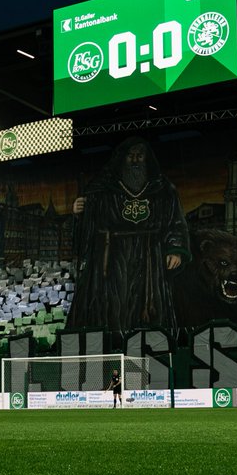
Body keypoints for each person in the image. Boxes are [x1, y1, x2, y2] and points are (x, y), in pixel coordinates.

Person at [67, 137, 190, 333]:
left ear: (146, 159)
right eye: (130, 156)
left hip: (150, 256)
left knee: (148, 307)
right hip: (111, 256)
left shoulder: (163, 188)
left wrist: (175, 249)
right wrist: (79, 212)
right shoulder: (102, 188)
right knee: (112, 305)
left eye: (139, 156)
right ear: (122, 159)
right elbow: (88, 221)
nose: (134, 161)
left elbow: (175, 221)